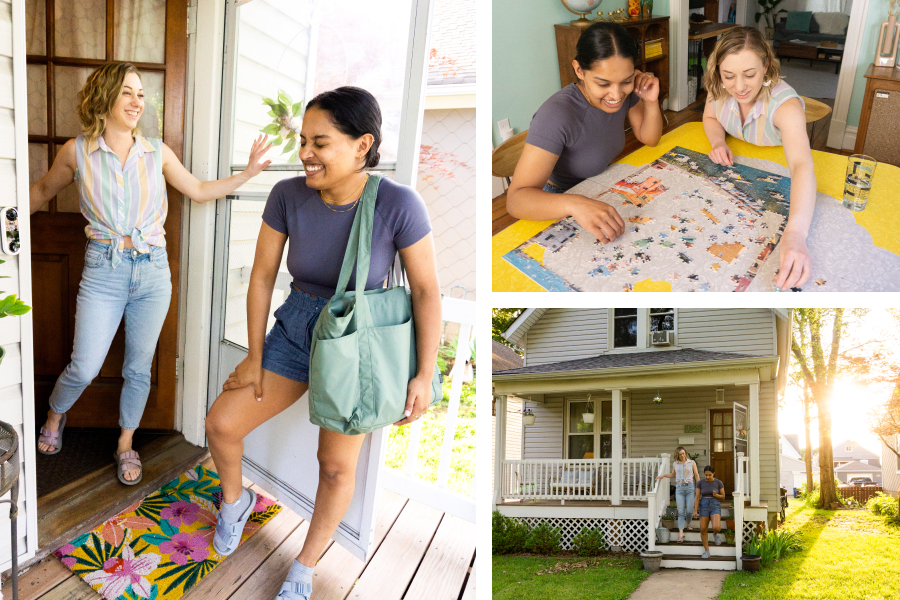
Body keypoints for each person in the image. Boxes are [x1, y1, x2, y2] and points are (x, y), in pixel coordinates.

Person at [203, 86, 440, 600]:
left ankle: (304, 566)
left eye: (321, 142)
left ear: (362, 146)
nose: (306, 153)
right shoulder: (288, 195)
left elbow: (424, 290)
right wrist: (256, 357)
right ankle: (234, 502)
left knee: (334, 467)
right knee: (221, 425)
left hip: (359, 339)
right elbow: (263, 277)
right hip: (297, 325)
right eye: (305, 141)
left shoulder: (398, 204)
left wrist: (423, 373)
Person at [30, 62, 272, 485]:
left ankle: (126, 443)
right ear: (104, 97)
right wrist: (6, 216)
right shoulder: (77, 151)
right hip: (103, 269)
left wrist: (247, 174)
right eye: (127, 92)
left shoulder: (157, 152)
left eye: (141, 94)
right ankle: (56, 412)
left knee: (139, 368)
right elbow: (41, 191)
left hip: (152, 271)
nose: (137, 101)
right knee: (84, 366)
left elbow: (197, 190)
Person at [506, 21, 663, 244]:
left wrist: (650, 101)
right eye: (603, 84)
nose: (616, 94)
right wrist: (574, 203)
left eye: (626, 81)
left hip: (600, 184)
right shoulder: (556, 114)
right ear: (579, 70)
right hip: (558, 199)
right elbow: (515, 201)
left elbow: (650, 138)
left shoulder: (625, 94)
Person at [702, 26, 815, 291]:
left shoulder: (786, 107)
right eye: (729, 75)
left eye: (749, 74)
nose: (738, 87)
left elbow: (802, 165)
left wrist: (796, 233)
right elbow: (709, 117)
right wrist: (718, 141)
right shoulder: (719, 87)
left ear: (765, 66)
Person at [656, 446, 700, 542]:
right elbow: (673, 474)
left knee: (689, 510)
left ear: (685, 453)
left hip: (690, 488)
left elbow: (696, 475)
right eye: (680, 454)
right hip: (679, 489)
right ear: (678, 455)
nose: (682, 456)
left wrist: (699, 487)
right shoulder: (676, 464)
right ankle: (681, 533)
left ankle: (688, 522)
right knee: (680, 512)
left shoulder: (692, 463)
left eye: (683, 453)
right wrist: (663, 475)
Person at [693, 465, 726, 559]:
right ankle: (706, 551)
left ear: (713, 474)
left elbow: (723, 496)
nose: (707, 477)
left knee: (716, 527)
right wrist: (695, 510)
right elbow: (697, 497)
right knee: (703, 529)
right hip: (703, 505)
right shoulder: (700, 483)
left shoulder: (718, 482)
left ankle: (715, 534)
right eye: (706, 475)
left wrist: (716, 495)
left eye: (709, 475)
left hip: (715, 504)